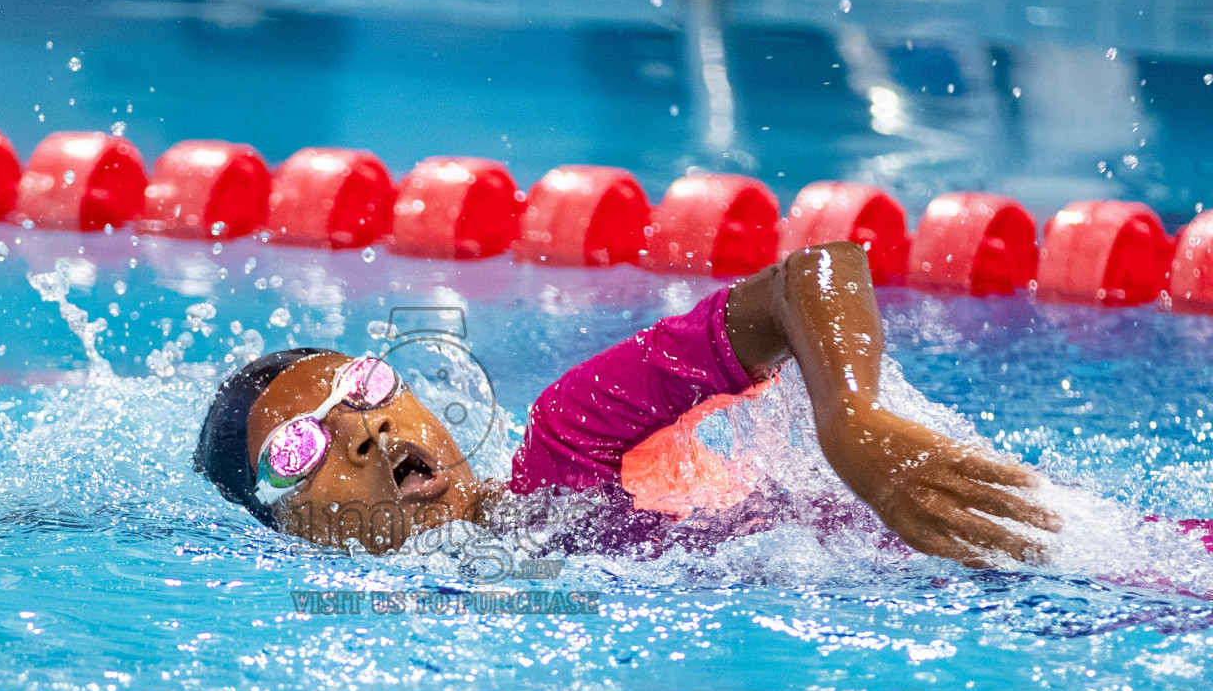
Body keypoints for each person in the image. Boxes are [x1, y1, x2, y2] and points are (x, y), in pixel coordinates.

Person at [194, 242, 1060, 567]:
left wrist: (854, 423)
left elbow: (812, 276)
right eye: (301, 448)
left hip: (1040, 557)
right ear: (289, 530)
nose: (364, 428)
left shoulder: (570, 440)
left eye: (367, 387)